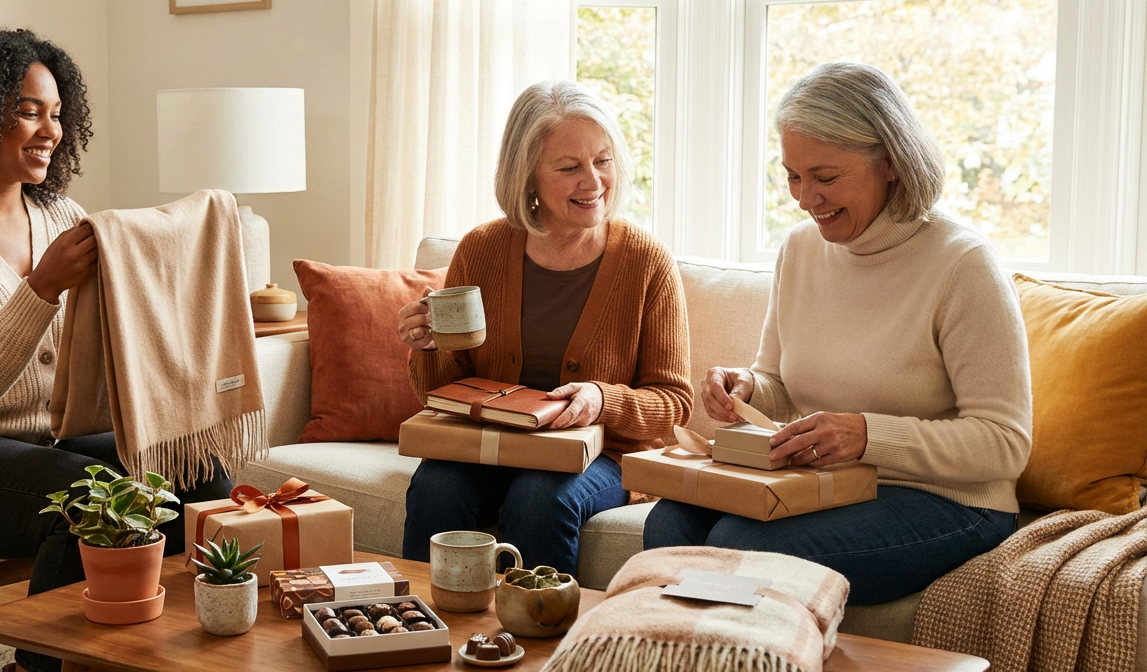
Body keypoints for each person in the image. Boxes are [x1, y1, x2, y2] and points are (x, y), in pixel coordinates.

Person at [0, 28, 233, 672]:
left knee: (197, 471)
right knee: (95, 498)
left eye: (58, 113)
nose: (52, 131)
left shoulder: (61, 213)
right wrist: (41, 287)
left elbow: (110, 334)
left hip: (51, 437)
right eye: (30, 111)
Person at [643, 62, 1032, 605]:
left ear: (891, 163)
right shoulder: (801, 249)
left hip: (951, 503)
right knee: (670, 522)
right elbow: (780, 383)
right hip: (825, 484)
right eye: (792, 176)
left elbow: (1004, 443)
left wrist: (866, 434)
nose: (805, 198)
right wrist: (749, 388)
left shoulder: (962, 264)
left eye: (825, 177)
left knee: (741, 544)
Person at [397, 80, 693, 576]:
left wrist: (602, 399)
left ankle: (539, 646)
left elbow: (674, 405)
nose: (594, 182)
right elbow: (437, 393)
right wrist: (427, 346)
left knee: (538, 495)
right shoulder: (482, 249)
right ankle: (418, 630)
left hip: (603, 452)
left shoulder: (646, 261)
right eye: (569, 167)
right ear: (527, 176)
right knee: (434, 485)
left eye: (603, 160)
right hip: (490, 444)